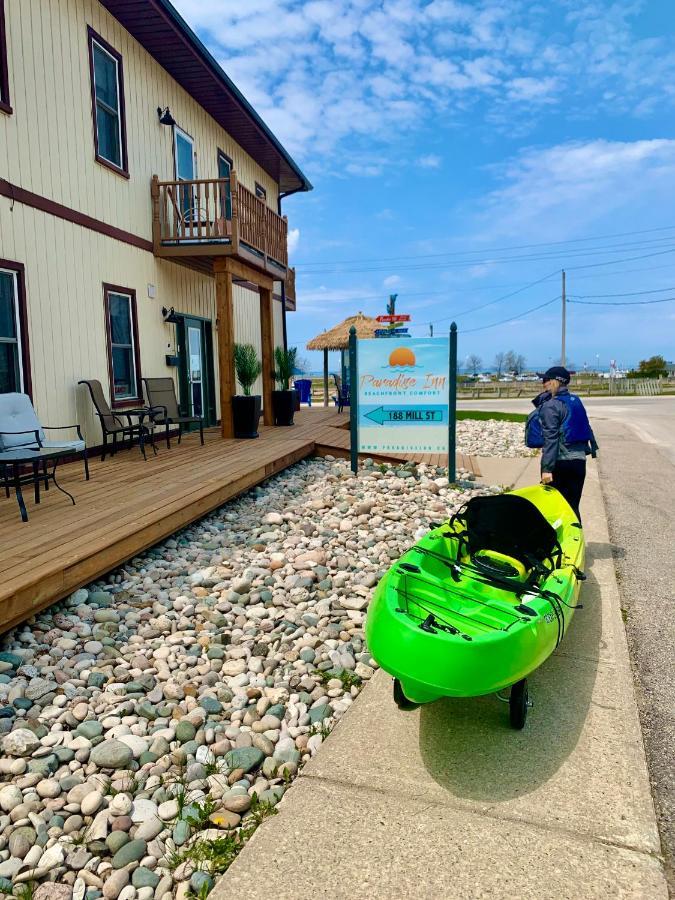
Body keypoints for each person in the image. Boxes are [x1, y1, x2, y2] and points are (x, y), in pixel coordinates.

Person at [525, 366, 598, 519]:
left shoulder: (551, 406)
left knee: (554, 509)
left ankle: (558, 542)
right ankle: (577, 540)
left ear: (555, 382)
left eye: (546, 380)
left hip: (560, 464)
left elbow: (551, 439)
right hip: (579, 462)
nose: (543, 384)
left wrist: (546, 469)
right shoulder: (575, 401)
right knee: (572, 507)